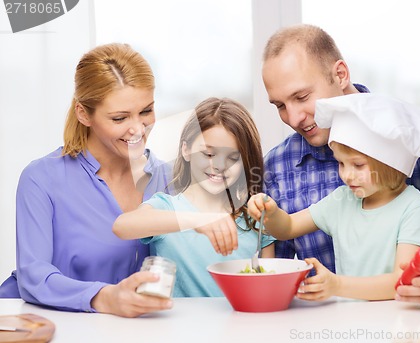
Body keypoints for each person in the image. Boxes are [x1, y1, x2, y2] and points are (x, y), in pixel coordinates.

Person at [261, 23, 420, 307]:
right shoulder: (279, 166)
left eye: (301, 97)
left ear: (340, 74)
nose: (294, 117)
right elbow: (276, 276)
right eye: (279, 106)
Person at [0, 43, 175, 318]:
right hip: (46, 324)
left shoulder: (168, 179)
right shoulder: (41, 179)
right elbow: (33, 277)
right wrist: (104, 298)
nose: (138, 129)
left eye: (146, 111)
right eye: (119, 118)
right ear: (84, 114)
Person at [249, 93, 420, 300]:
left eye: (358, 165)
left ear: (389, 162)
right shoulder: (343, 200)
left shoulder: (414, 209)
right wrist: (271, 212)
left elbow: (402, 281)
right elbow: (288, 228)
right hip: (347, 321)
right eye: (341, 163)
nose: (347, 175)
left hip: (394, 324)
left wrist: (337, 285)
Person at [113, 97, 275, 297]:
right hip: (178, 328)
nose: (219, 165)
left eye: (233, 158)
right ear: (186, 149)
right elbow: (122, 226)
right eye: (208, 154)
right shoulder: (166, 208)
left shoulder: (256, 220)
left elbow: (268, 292)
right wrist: (198, 220)